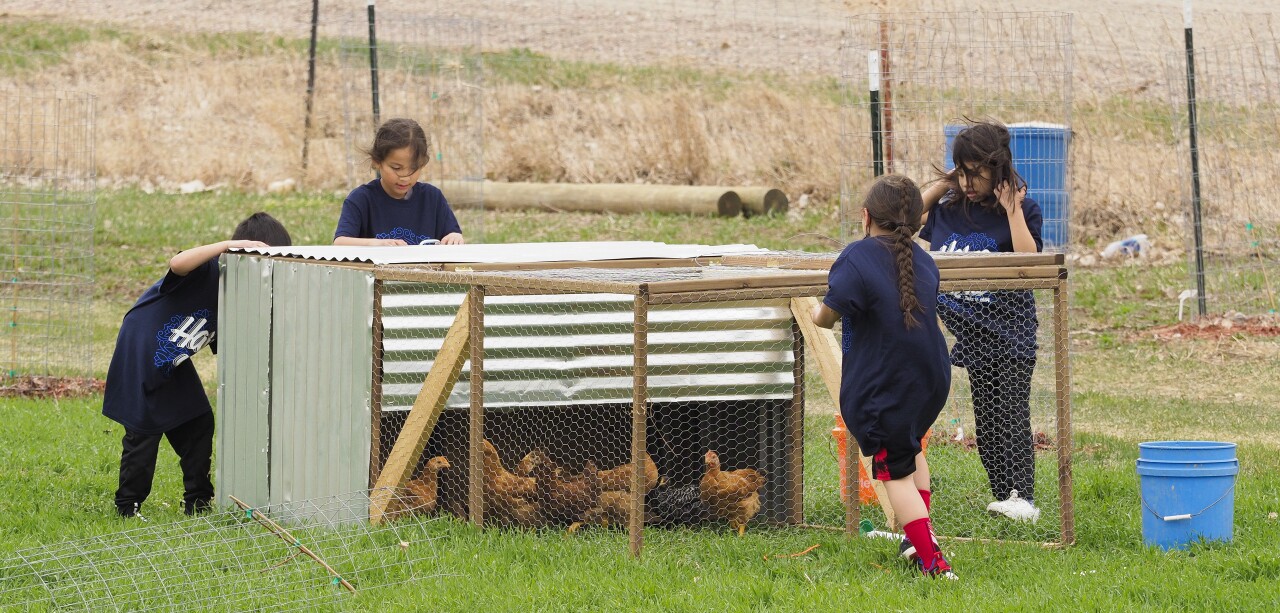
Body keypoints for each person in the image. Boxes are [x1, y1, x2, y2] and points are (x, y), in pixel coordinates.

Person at [103, 212, 291, 519]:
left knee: (198, 421)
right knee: (144, 429)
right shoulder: (208, 269)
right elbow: (177, 264)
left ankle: (198, 501)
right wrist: (226, 246)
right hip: (140, 350)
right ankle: (127, 506)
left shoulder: (240, 294)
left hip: (171, 361)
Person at [812, 174, 955, 579]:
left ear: (865, 217)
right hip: (930, 377)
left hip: (888, 382)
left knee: (893, 472)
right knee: (910, 450)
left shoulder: (857, 257)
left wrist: (815, 310)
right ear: (916, 222)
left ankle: (933, 562)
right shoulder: (923, 261)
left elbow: (826, 317)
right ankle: (915, 539)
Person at [919, 120, 1044, 522]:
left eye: (977, 172)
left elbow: (1030, 262)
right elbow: (901, 216)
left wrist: (1012, 213)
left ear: (999, 168)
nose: (969, 181)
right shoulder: (949, 210)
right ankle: (1003, 496)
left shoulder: (1023, 210)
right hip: (971, 338)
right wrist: (945, 184)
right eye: (963, 170)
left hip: (1010, 334)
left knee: (1010, 415)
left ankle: (1022, 497)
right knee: (987, 427)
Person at [334, 117, 465, 246]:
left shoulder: (433, 198)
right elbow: (340, 243)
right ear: (377, 161)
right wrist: (375, 244)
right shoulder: (361, 199)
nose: (405, 177)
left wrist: (454, 237)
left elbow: (453, 235)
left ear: (423, 163)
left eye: (413, 168)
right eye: (396, 168)